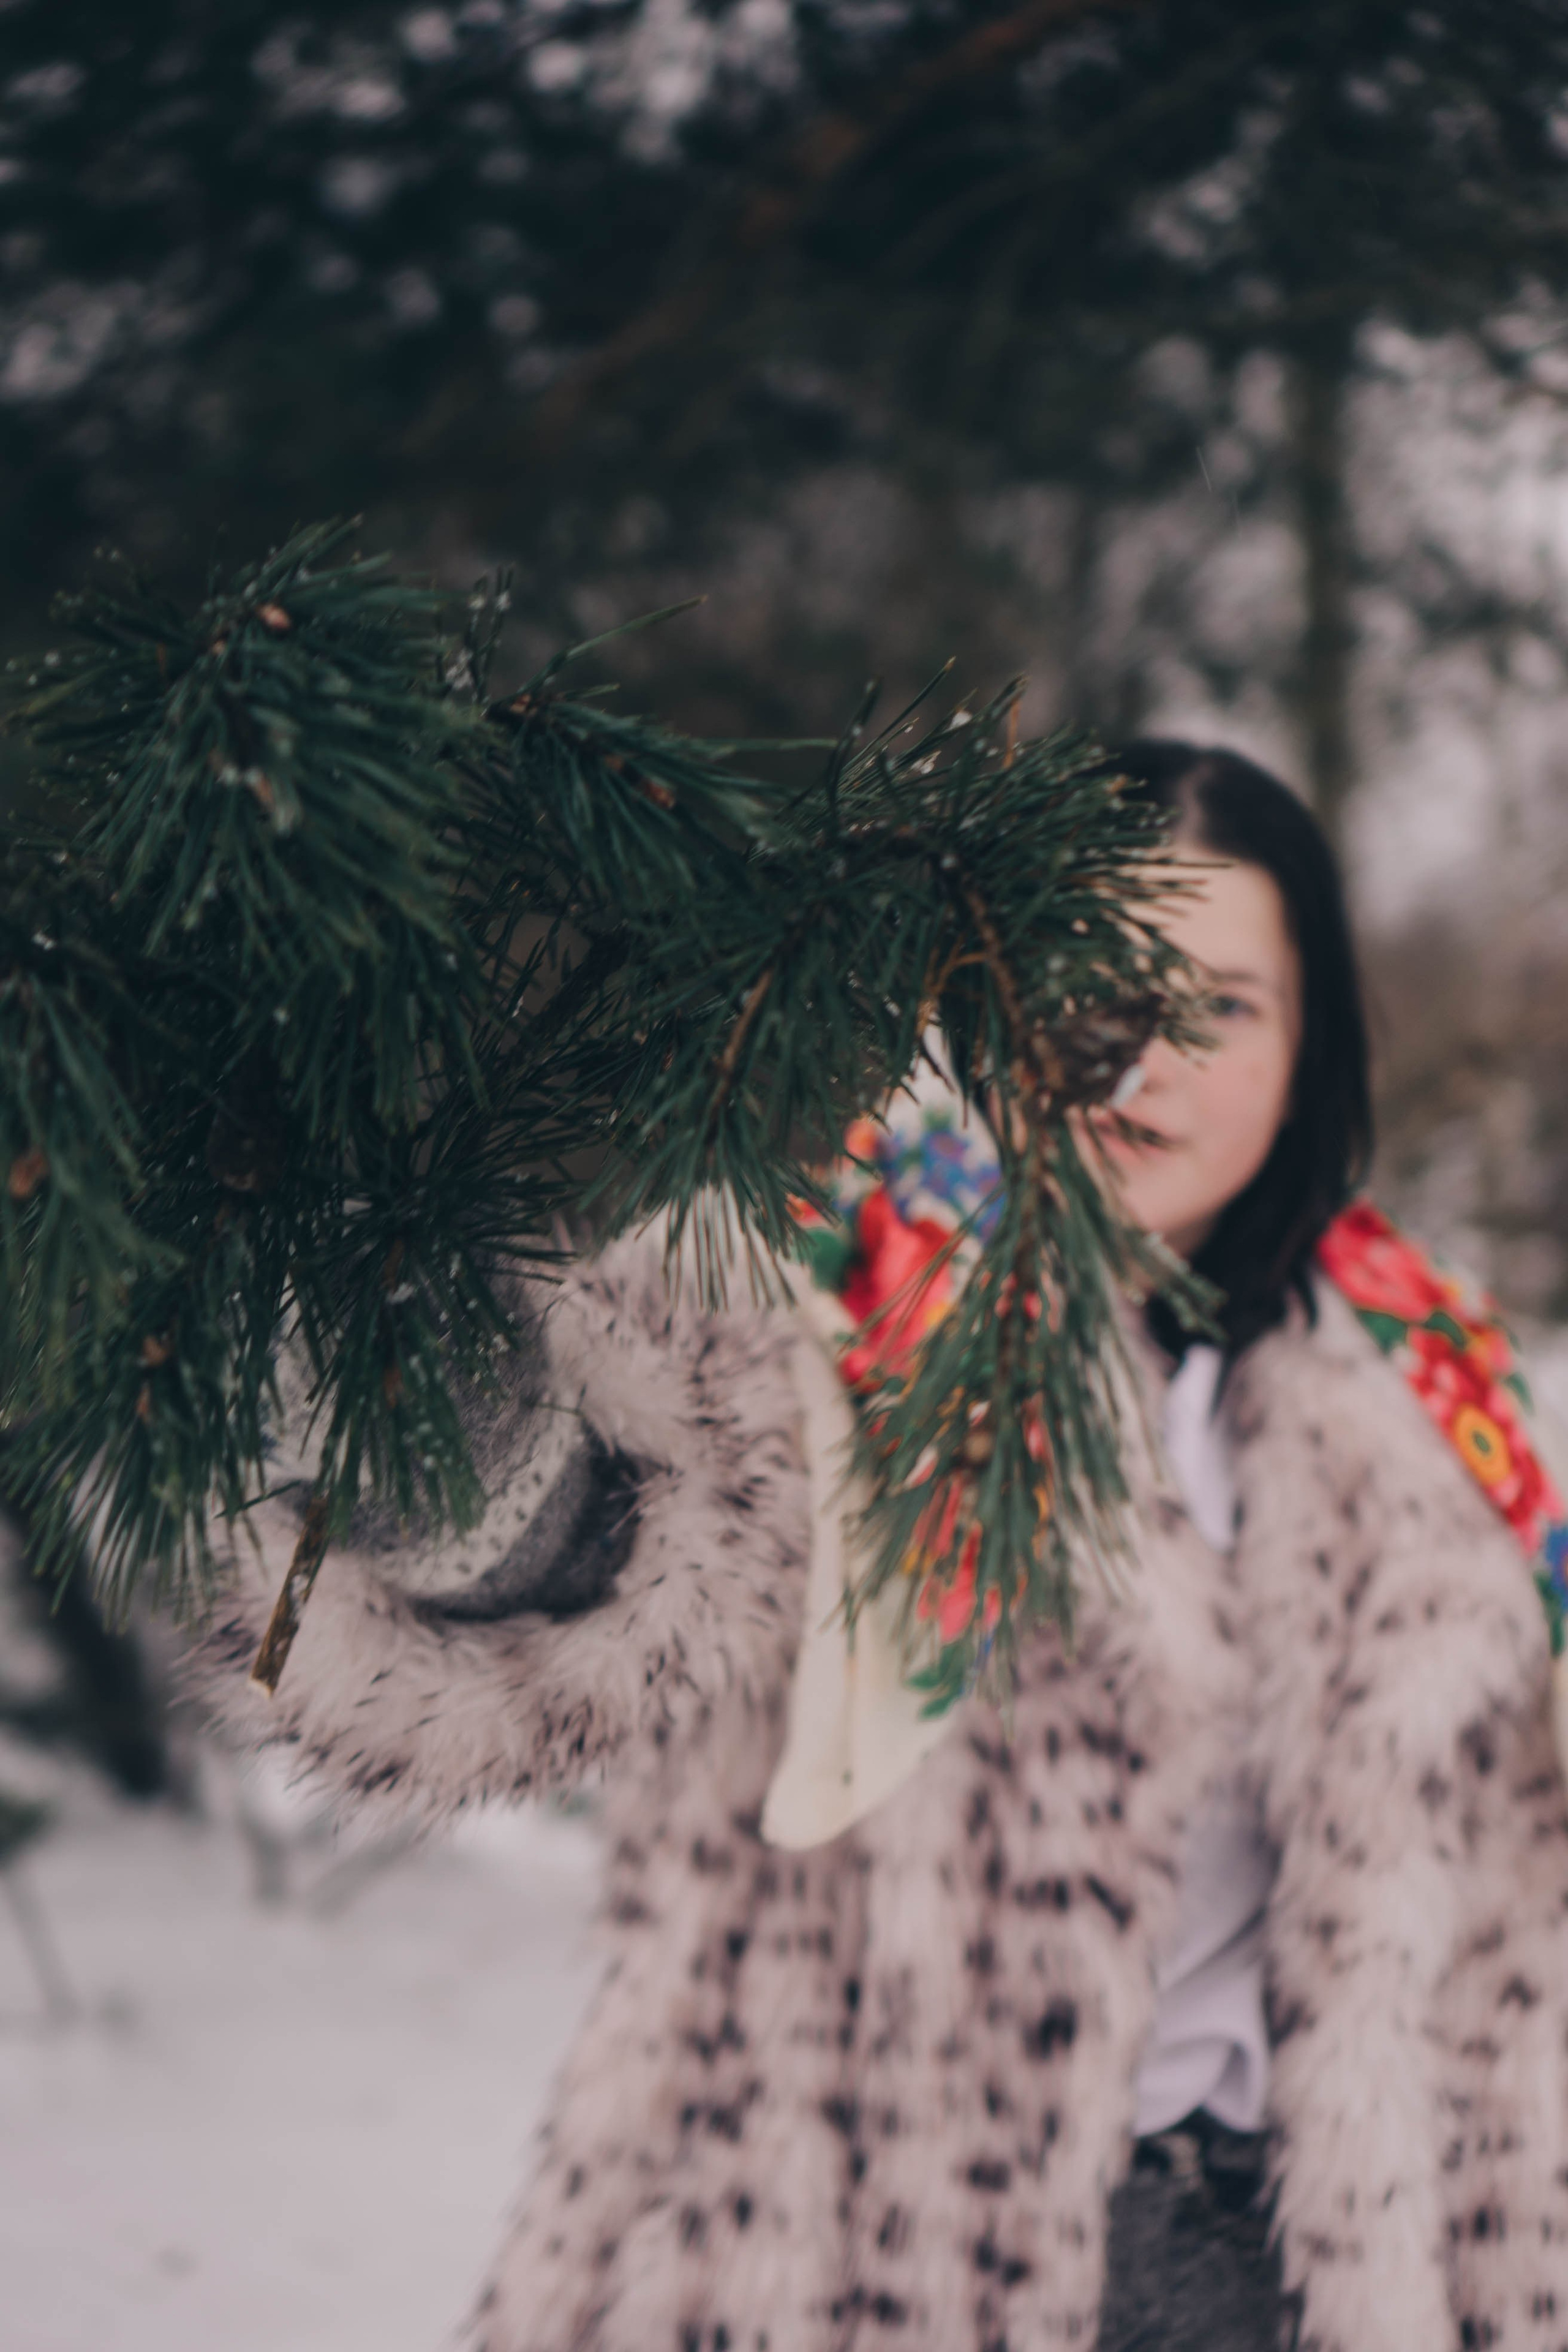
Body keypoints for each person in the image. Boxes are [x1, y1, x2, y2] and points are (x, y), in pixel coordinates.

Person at [203, 742, 1568, 2352]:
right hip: (860, 2265)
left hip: (1337, 2280)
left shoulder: (1435, 1385)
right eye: (1098, 980)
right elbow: (568, 1585)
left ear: (1315, 1041)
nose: (1147, 1058)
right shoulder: (813, 1304)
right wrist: (438, 1410)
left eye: (1224, 1006)